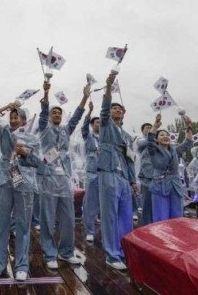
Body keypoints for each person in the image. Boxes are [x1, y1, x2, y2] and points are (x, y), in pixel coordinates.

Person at [0, 100, 41, 281]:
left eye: (17, 117)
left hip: (24, 182)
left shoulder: (32, 138)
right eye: (12, 117)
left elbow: (38, 162)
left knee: (23, 223)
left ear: (24, 120)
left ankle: (22, 265)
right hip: (5, 178)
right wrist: (4, 107)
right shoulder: (4, 132)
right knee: (0, 221)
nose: (14, 119)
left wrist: (25, 153)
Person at [37, 81, 88, 269]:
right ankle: (49, 253)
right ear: (50, 116)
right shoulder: (44, 129)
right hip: (48, 179)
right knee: (48, 218)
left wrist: (84, 97)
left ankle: (66, 252)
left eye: (59, 113)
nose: (57, 115)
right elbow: (43, 114)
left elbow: (75, 118)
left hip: (65, 180)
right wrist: (46, 92)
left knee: (68, 218)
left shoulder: (66, 131)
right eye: (54, 113)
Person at [97, 73, 138, 270]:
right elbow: (104, 110)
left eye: (120, 108)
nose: (116, 110)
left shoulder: (127, 136)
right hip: (108, 173)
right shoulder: (105, 126)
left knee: (126, 215)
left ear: (124, 113)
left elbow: (130, 159)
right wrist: (108, 87)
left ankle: (124, 251)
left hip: (123, 178)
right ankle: (111, 254)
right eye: (114, 108)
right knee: (110, 215)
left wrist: (133, 181)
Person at [145, 113, 193, 222]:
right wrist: (155, 126)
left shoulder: (175, 150)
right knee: (161, 216)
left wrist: (188, 126)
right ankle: (161, 238)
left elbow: (188, 142)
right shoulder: (153, 150)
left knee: (177, 215)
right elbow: (150, 141)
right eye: (161, 135)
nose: (165, 136)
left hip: (175, 185)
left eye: (167, 134)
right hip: (160, 185)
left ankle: (175, 237)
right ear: (156, 140)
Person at [81, 102, 100, 242]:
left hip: (105, 173)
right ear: (92, 125)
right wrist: (89, 112)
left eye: (101, 123)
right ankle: (90, 230)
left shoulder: (105, 138)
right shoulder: (89, 137)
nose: (99, 125)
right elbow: (83, 127)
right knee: (90, 203)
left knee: (106, 203)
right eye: (96, 123)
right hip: (92, 173)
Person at [135, 122, 154, 226]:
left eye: (151, 128)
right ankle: (146, 224)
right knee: (145, 200)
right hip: (144, 174)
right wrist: (153, 133)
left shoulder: (154, 141)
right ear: (142, 130)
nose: (150, 130)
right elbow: (143, 143)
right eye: (147, 128)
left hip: (155, 174)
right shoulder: (140, 140)